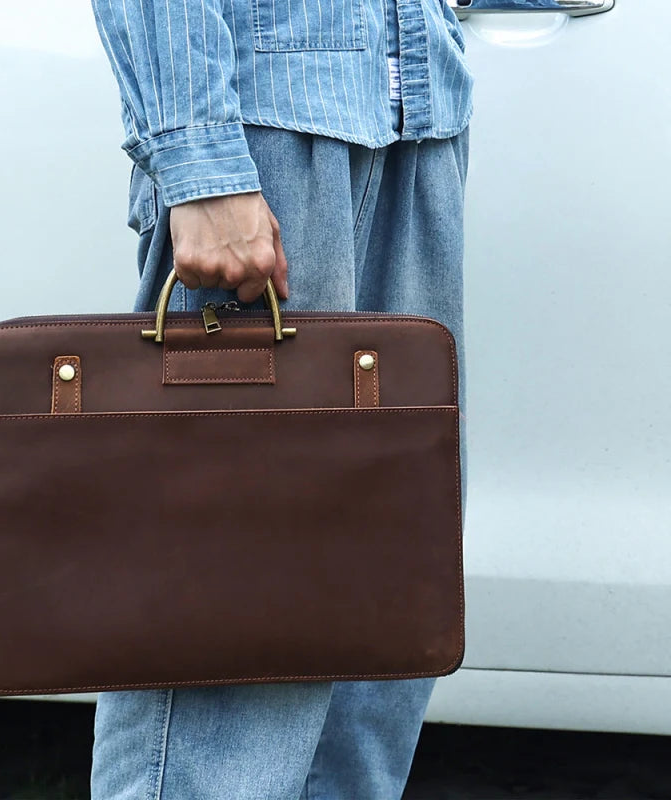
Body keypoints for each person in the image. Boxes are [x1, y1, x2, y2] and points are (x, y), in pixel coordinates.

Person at [89, 0, 473, 797]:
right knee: (232, 626)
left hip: (417, 116)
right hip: (270, 128)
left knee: (376, 625)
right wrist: (199, 162)